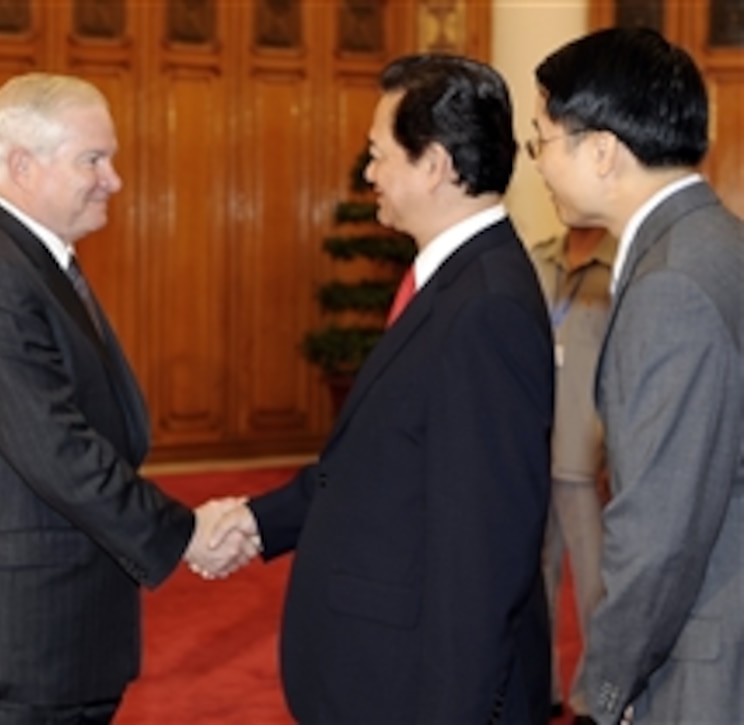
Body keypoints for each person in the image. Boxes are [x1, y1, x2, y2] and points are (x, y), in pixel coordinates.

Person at [0, 73, 254, 724]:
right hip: (4, 645)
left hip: (52, 633)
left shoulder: (33, 263)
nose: (113, 178)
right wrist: (185, 532)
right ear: (23, 165)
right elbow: (58, 450)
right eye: (93, 159)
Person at [209, 54, 555, 722]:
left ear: (434, 165)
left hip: (417, 687)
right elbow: (373, 465)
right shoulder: (450, 285)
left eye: (379, 153)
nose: (369, 173)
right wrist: (259, 520)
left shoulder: (486, 308)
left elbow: (485, 551)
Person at [531, 27, 744, 724]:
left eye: (542, 140)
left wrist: (610, 686)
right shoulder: (715, 240)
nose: (535, 162)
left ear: (600, 149)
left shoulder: (670, 284)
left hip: (704, 666)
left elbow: (658, 536)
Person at [529, 226, 616, 720]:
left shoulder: (620, 262)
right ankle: (543, 690)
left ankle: (591, 699)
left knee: (594, 590)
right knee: (533, 583)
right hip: (535, 452)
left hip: (588, 458)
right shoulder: (540, 260)